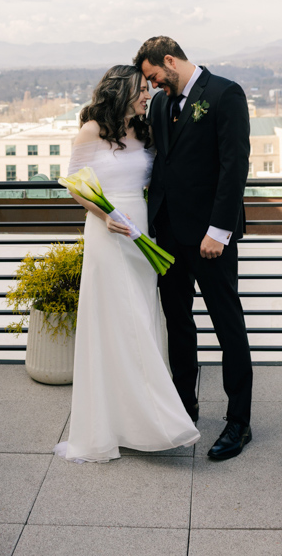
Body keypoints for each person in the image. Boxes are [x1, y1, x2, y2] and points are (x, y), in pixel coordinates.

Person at [53, 64, 199, 463]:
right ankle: (152, 421)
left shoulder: (144, 128)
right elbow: (73, 184)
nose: (147, 95)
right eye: (140, 90)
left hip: (142, 233)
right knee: (118, 321)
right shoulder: (92, 129)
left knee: (142, 320)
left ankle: (136, 420)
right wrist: (106, 216)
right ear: (121, 91)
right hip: (109, 233)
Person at [133, 36, 253, 461]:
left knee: (227, 325)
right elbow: (162, 167)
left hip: (209, 239)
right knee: (179, 326)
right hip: (167, 236)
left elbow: (234, 166)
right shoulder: (162, 104)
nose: (152, 86)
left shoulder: (225, 94)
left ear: (170, 60)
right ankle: (185, 408)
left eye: (153, 76)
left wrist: (218, 231)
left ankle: (239, 422)